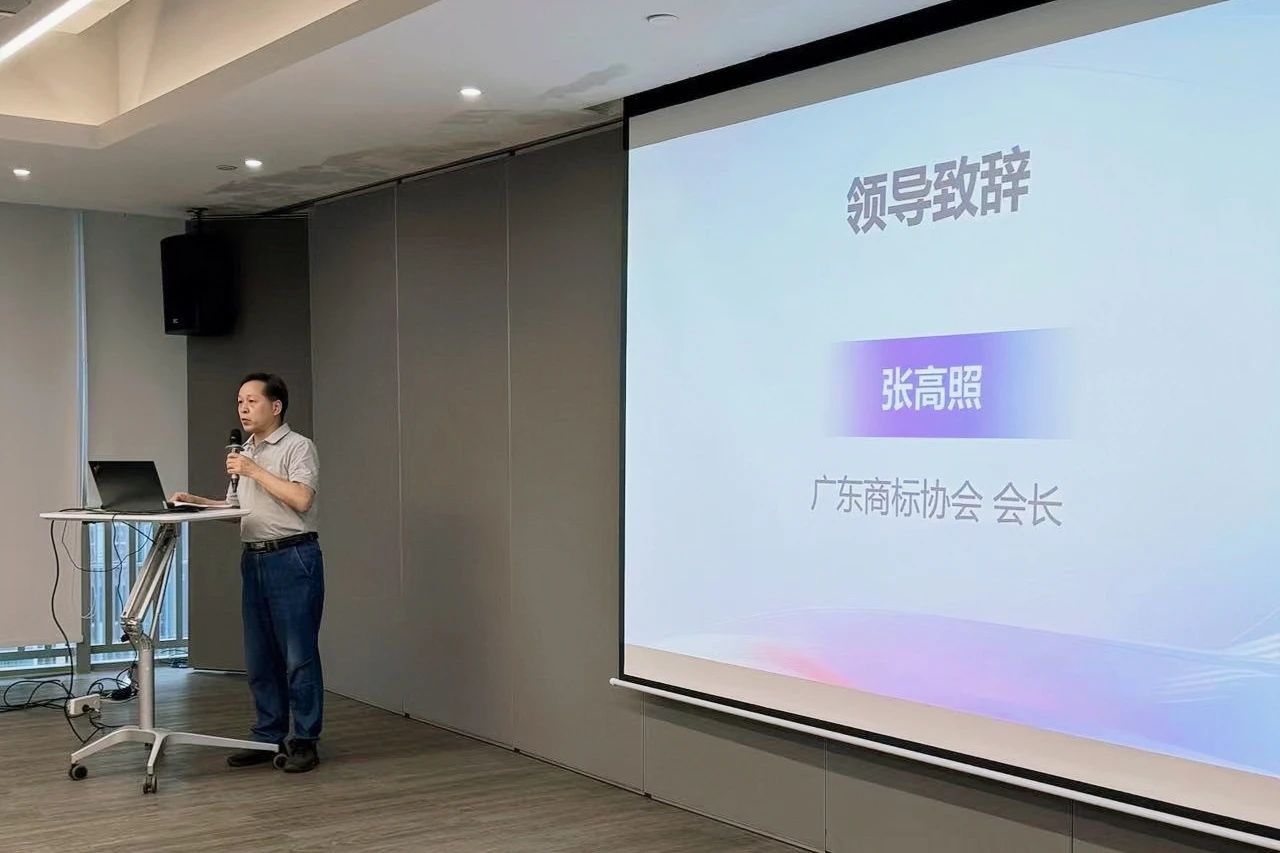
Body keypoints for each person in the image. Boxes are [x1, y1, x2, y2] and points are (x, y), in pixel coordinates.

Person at [173, 372, 324, 773]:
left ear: (276, 406)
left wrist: (254, 470)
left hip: (292, 556)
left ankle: (305, 740)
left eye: (252, 401)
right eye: (239, 401)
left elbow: (301, 498)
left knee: (298, 656)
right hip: (254, 559)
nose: (243, 408)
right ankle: (267, 736)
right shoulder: (245, 453)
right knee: (260, 656)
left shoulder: (298, 447)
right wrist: (195, 502)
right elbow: (237, 510)